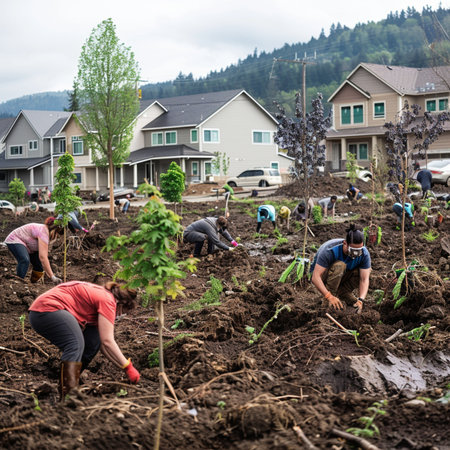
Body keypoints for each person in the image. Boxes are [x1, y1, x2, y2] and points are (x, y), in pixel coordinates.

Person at [28, 281, 140, 401]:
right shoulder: (108, 300)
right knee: (75, 344)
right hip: (47, 310)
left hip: (46, 310)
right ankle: (68, 397)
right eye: (124, 312)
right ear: (121, 304)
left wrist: (124, 368)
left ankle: (71, 381)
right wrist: (129, 367)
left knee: (93, 341)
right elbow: (108, 341)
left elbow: (103, 344)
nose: (121, 315)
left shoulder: (104, 296)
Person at [310, 224, 371, 314]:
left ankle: (343, 292)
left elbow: (364, 279)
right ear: (345, 243)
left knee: (366, 271)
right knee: (340, 266)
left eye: (359, 251)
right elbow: (315, 277)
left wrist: (361, 299)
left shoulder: (364, 253)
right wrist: (329, 296)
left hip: (342, 276)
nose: (356, 254)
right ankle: (328, 303)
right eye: (353, 250)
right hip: (324, 278)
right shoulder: (330, 250)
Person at [4, 217, 63, 284]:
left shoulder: (46, 232)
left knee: (39, 267)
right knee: (24, 260)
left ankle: (33, 283)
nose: (57, 237)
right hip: (15, 239)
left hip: (28, 246)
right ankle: (18, 283)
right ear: (54, 230)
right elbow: (43, 257)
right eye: (58, 234)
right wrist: (52, 277)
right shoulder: (43, 232)